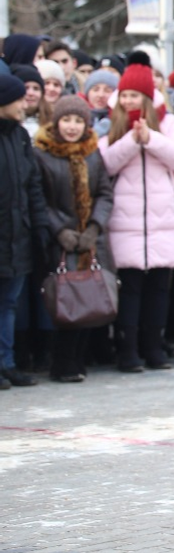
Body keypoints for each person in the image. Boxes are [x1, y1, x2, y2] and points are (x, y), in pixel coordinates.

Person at [99, 53, 174, 372]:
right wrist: (132, 140)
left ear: (147, 97)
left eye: (135, 95)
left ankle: (155, 348)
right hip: (125, 221)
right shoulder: (112, 123)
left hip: (163, 219)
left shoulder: (166, 122)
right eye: (124, 94)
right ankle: (128, 350)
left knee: (159, 289)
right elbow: (105, 164)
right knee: (130, 289)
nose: (128, 100)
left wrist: (150, 138)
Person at [32, 95, 115, 383]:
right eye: (66, 120)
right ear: (56, 122)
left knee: (90, 296)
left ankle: (79, 359)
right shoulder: (42, 155)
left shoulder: (93, 153)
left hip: (90, 240)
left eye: (78, 121)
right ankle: (62, 362)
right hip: (60, 241)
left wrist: (94, 227)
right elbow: (40, 199)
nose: (72, 126)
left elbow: (104, 193)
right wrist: (59, 231)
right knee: (66, 298)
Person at [1, 73, 52, 388]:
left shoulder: (20, 136)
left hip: (17, 235)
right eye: (19, 99)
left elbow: (32, 186)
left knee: (8, 303)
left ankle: (6, 363)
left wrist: (40, 225)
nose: (25, 104)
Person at [83, 68, 119, 135]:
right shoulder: (77, 116)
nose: (101, 95)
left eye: (107, 90)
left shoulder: (121, 119)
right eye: (95, 89)